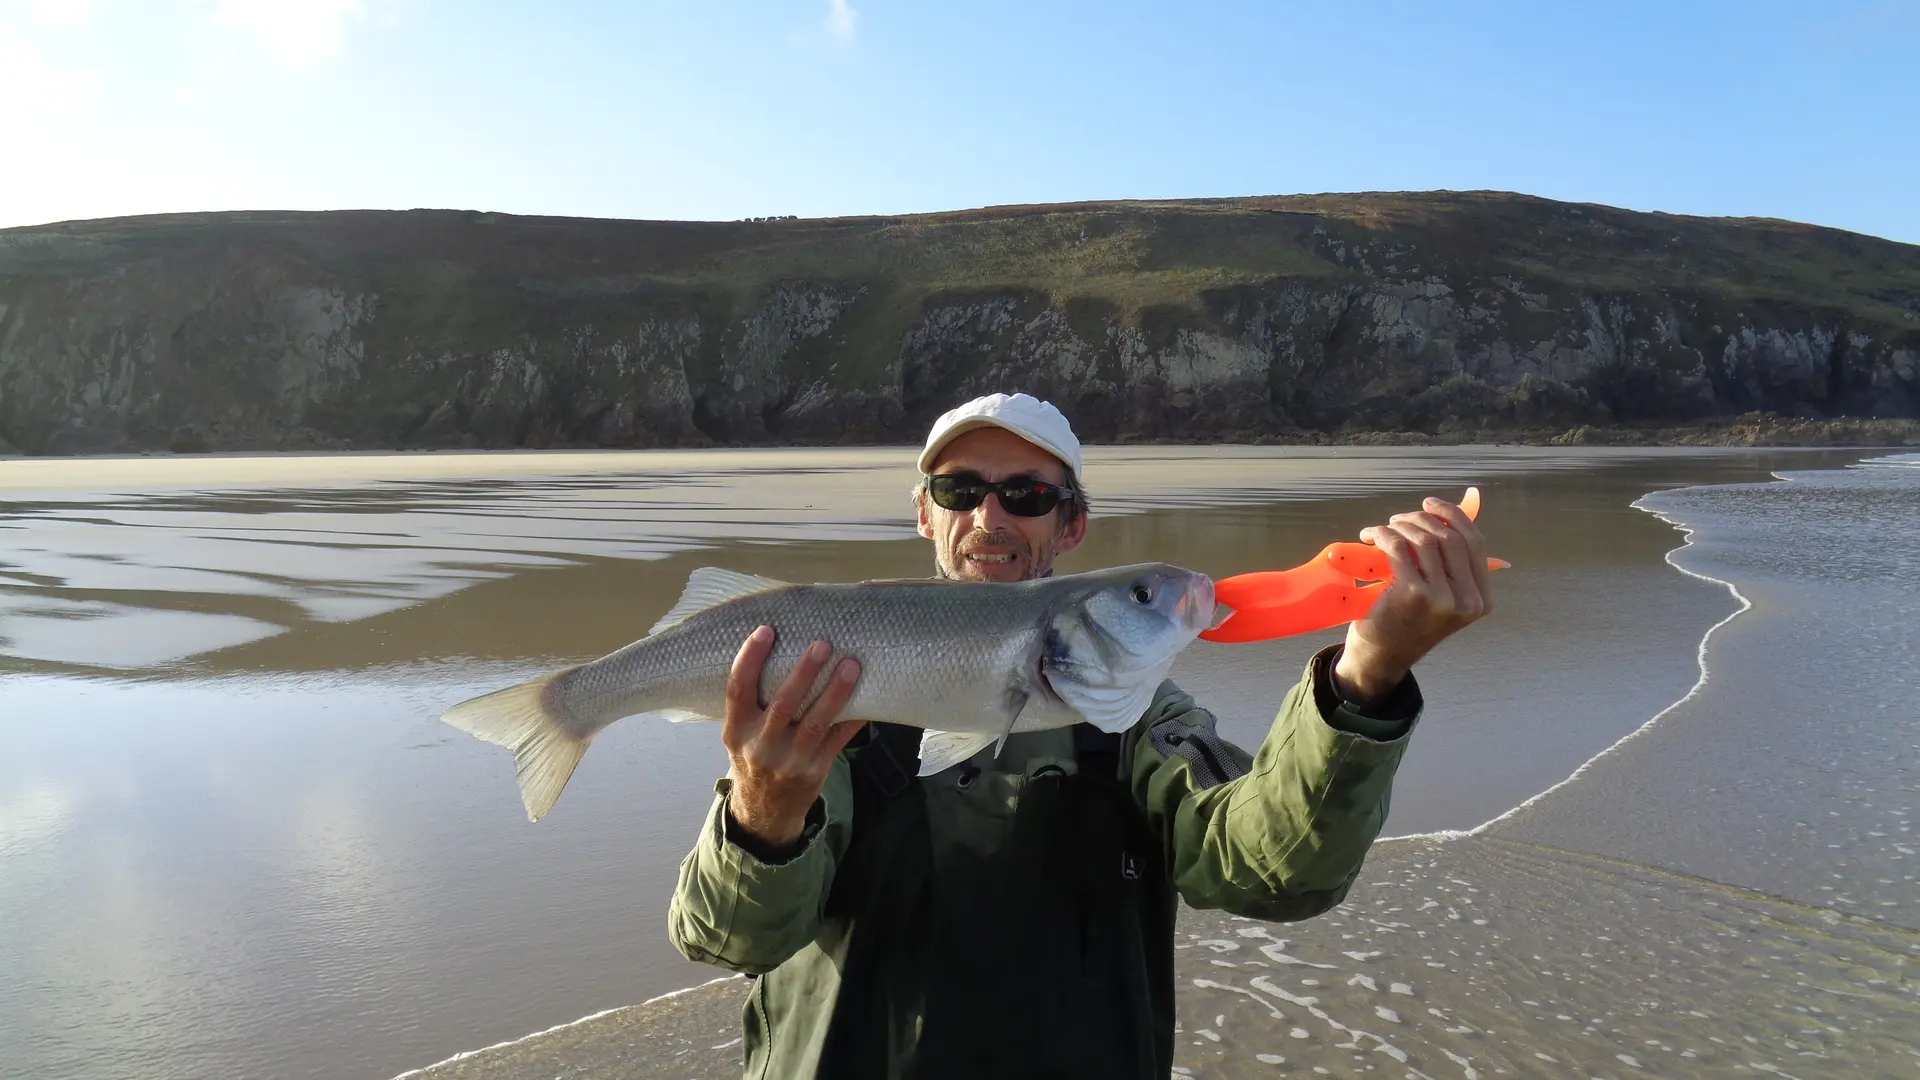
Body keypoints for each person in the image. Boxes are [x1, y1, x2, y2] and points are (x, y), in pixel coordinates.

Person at [668, 392, 1494, 1079]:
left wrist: (1368, 677)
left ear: (1072, 526)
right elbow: (727, 940)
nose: (990, 515)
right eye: (960, 491)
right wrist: (762, 817)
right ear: (925, 514)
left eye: (1026, 495)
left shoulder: (1143, 722)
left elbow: (1274, 875)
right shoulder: (827, 702)